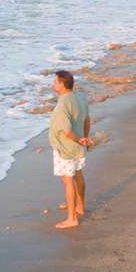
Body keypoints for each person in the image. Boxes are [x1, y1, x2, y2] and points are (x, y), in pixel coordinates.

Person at [48, 70, 91, 229]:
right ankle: (79, 206)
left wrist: (79, 139)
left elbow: (66, 131)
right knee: (78, 174)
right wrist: (84, 139)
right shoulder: (80, 97)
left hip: (66, 148)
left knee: (68, 180)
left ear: (62, 84)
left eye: (55, 82)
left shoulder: (62, 104)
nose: (53, 84)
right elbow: (87, 120)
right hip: (79, 146)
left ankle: (72, 217)